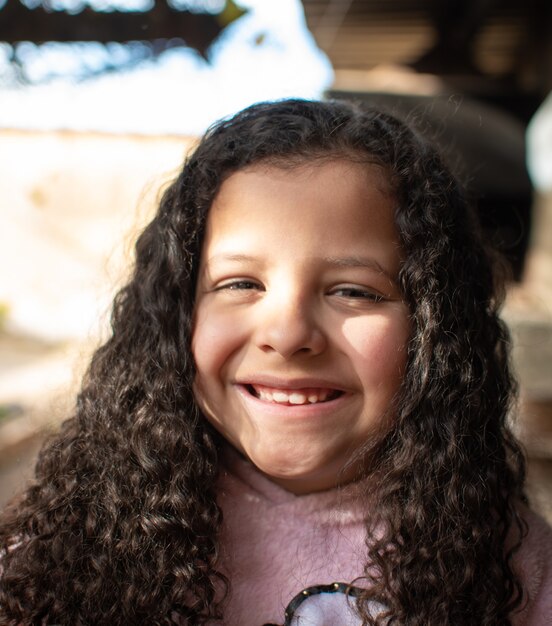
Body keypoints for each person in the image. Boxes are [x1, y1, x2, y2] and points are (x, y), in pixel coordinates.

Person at [1, 99, 551, 626]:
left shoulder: (521, 579)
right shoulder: (63, 552)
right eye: (240, 283)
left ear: (436, 329)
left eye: (354, 292)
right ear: (176, 317)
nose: (287, 336)